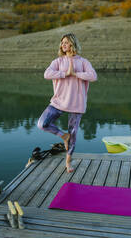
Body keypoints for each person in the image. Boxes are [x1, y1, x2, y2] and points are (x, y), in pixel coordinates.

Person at [37, 33, 97, 173]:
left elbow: (93, 76)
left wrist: (75, 74)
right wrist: (65, 74)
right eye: (62, 42)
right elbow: (47, 74)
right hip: (58, 101)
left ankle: (68, 163)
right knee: (42, 124)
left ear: (73, 44)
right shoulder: (58, 61)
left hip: (77, 103)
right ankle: (63, 136)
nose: (63, 45)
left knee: (74, 134)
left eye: (66, 42)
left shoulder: (83, 61)